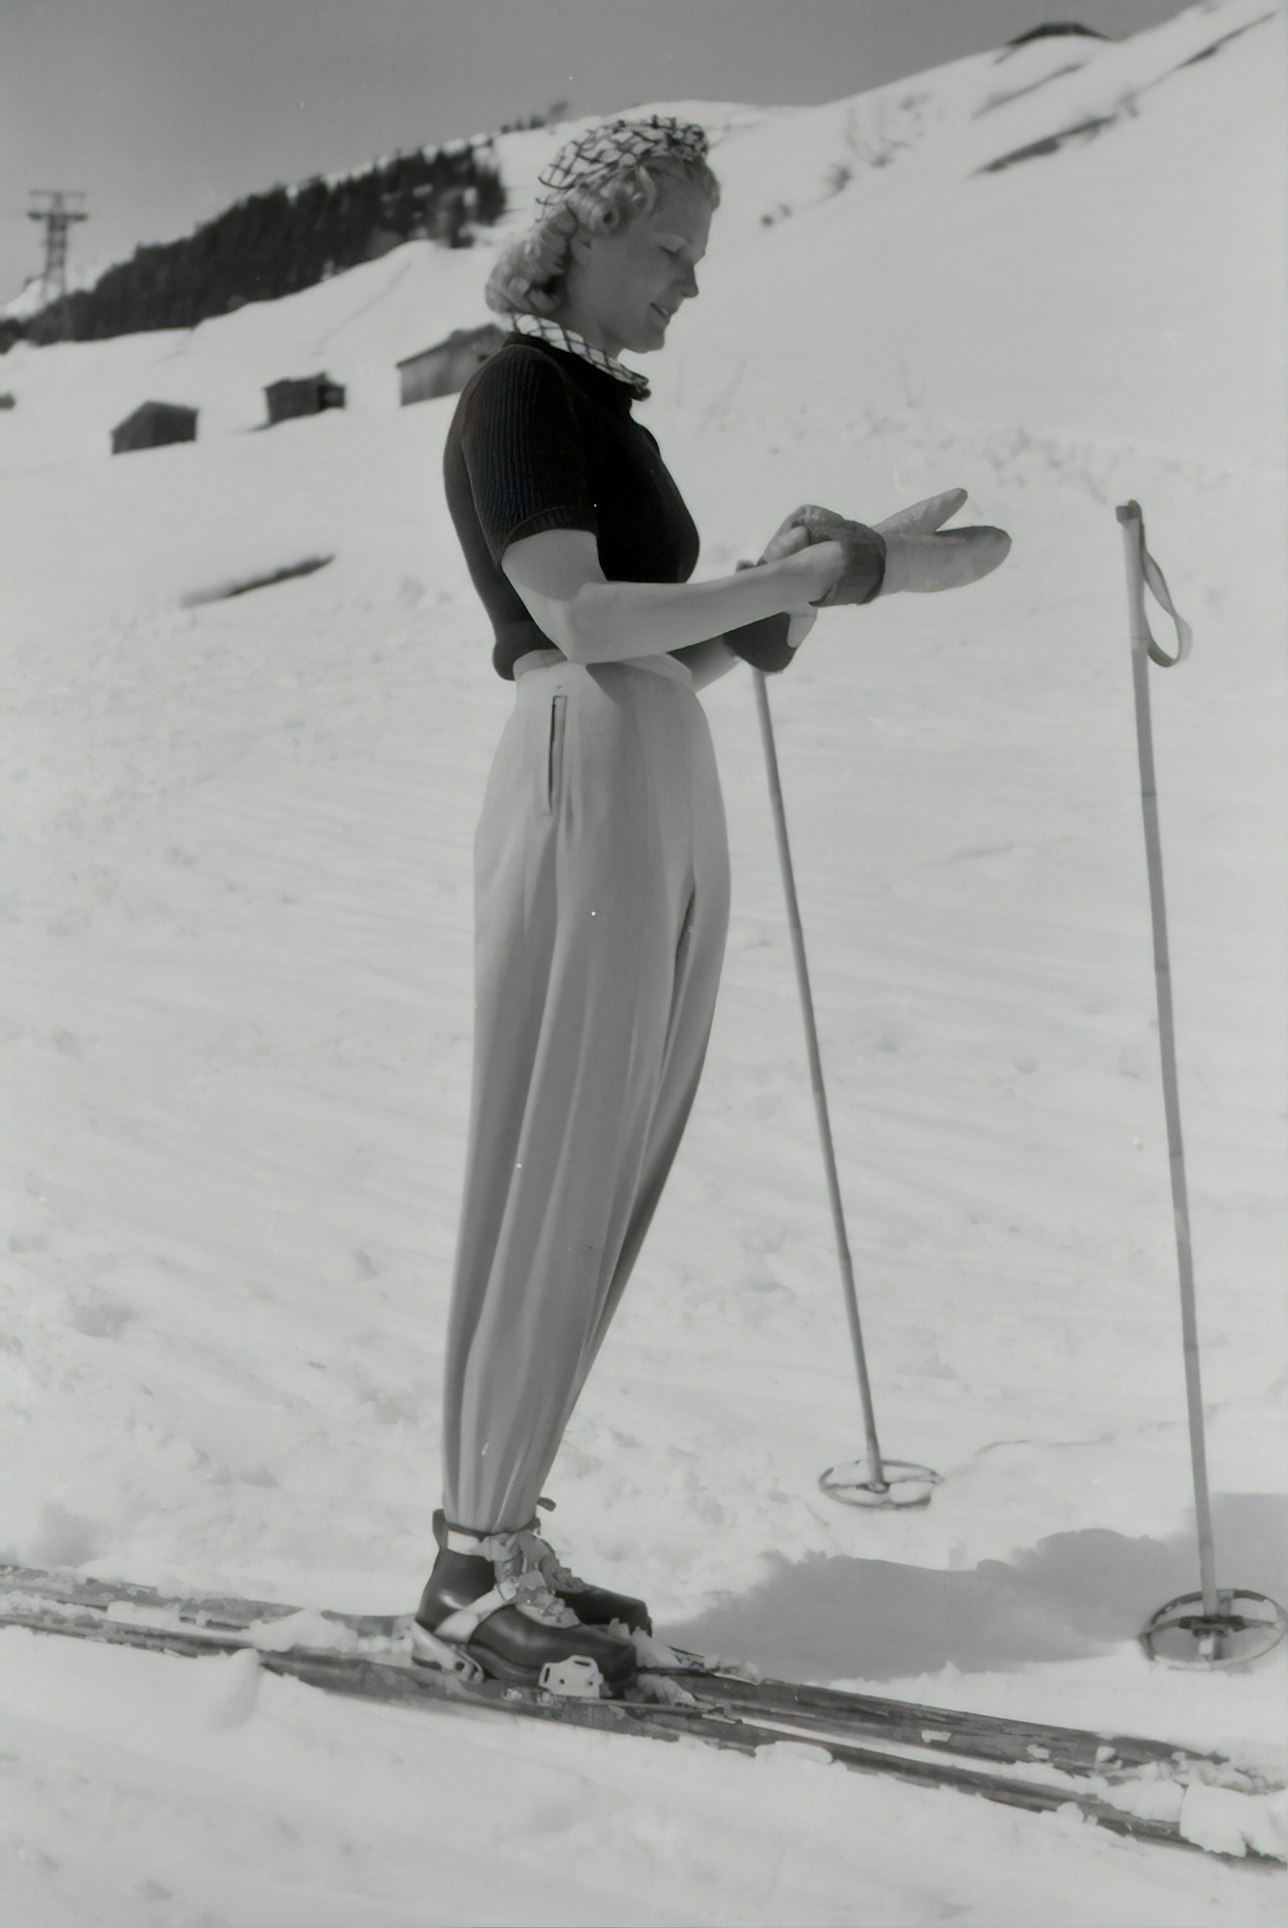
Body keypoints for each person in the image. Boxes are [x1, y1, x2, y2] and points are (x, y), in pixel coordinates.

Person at [414, 114, 1007, 1699]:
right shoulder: (520, 390)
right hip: (585, 764)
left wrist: (814, 572)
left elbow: (668, 643)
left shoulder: (601, 405)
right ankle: (468, 1563)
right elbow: (585, 615)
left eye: (697, 255)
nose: (688, 282)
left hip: (649, 762)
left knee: (614, 1154)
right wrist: (806, 583)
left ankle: (502, 1523)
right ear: (584, 238)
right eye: (668, 249)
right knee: (558, 1151)